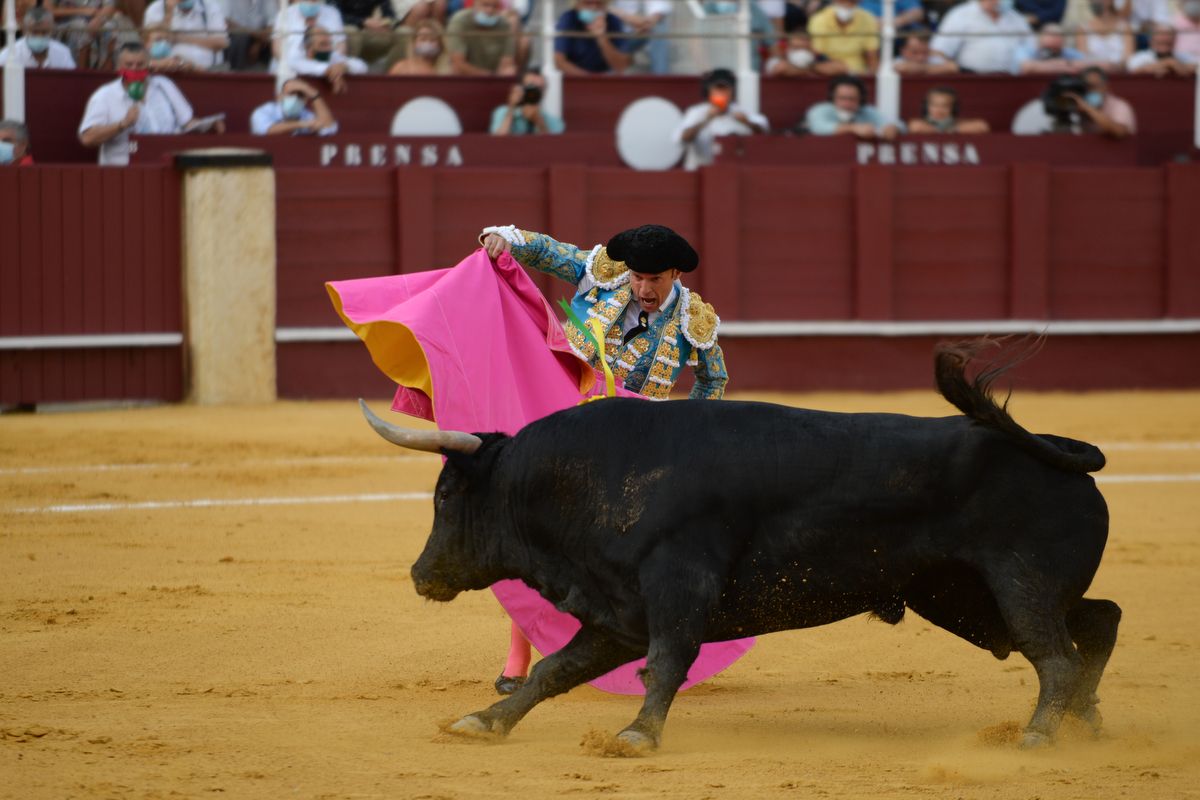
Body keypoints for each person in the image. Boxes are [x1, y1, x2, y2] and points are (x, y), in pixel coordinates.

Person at [476, 222, 729, 694]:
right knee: (541, 537)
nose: (642, 287)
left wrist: (692, 431)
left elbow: (712, 380)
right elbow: (551, 254)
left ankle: (647, 651)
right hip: (566, 428)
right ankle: (519, 655)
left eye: (654, 279)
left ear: (675, 273)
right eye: (637, 277)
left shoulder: (694, 321)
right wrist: (506, 239)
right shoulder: (604, 276)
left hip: (635, 449)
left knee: (636, 554)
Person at [78, 42, 221, 165]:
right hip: (126, 169)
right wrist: (122, 124)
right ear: (118, 67)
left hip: (167, 162)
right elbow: (87, 138)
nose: (134, 69)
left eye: (140, 64)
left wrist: (208, 125)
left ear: (148, 65)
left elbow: (187, 122)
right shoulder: (105, 95)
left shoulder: (164, 85)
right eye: (129, 65)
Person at [672, 68, 769, 170]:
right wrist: (706, 119)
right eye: (717, 89)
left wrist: (747, 122)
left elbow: (765, 131)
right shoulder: (696, 112)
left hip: (733, 171)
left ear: (732, 92)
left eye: (725, 89)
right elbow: (680, 138)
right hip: (701, 172)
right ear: (708, 92)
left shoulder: (741, 112)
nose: (721, 93)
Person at [930, 0, 1034, 73]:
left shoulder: (1016, 17)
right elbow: (939, 52)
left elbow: (1033, 49)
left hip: (1012, 81)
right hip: (973, 83)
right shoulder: (960, 15)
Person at [804, 74, 901, 139]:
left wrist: (892, 128)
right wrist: (853, 128)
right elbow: (818, 127)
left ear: (861, 99)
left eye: (852, 99)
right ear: (832, 97)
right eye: (842, 98)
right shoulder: (820, 110)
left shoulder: (866, 111)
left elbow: (896, 124)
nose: (847, 104)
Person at [142, 0, 231, 70]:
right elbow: (152, 45)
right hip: (170, 71)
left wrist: (179, 38)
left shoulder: (210, 6)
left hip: (210, 71)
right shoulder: (156, 9)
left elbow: (222, 43)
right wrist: (169, 11)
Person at [554, 0, 633, 74]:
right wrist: (590, 81)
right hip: (576, 80)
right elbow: (558, 61)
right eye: (588, 3)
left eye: (598, 4)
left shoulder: (613, 21)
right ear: (577, 5)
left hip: (606, 79)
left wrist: (601, 38)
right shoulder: (568, 19)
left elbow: (621, 66)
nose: (593, 8)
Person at [445, 0, 517, 75]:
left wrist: (497, 76)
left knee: (510, 71)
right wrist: (488, 75)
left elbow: (507, 61)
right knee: (455, 69)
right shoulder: (460, 21)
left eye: (494, 6)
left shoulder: (504, 25)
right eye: (485, 5)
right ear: (474, 5)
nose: (490, 10)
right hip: (466, 76)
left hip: (493, 76)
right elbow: (458, 63)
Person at [807, 0, 879, 73]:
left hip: (857, 73)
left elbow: (872, 55)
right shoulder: (819, 19)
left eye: (851, 1)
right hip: (827, 70)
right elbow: (817, 52)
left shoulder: (868, 19)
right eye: (842, 1)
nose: (846, 4)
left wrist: (872, 77)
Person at [333, 0, 407, 71]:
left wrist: (385, 24)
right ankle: (346, 75)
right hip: (339, 37)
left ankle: (393, 77)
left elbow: (390, 15)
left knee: (404, 33)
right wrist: (363, 21)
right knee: (352, 31)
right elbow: (331, 13)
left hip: (368, 34)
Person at [291, 26, 368, 93]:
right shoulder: (295, 55)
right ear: (308, 47)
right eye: (323, 44)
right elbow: (301, 66)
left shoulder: (332, 55)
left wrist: (344, 67)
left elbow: (362, 66)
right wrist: (330, 70)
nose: (329, 48)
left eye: (330, 44)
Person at [274, 0, 348, 70]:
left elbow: (341, 46)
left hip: (329, 68)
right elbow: (277, 49)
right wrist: (290, 66)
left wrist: (334, 66)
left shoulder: (333, 13)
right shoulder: (285, 14)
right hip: (290, 71)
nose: (310, 1)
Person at [250, 77, 338, 135]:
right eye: (291, 94)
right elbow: (267, 131)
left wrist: (313, 93)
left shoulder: (305, 114)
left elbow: (330, 127)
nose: (295, 98)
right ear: (279, 96)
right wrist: (302, 124)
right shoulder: (263, 111)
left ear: (305, 100)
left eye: (300, 95)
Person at [490, 69, 566, 134]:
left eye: (539, 88)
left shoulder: (554, 121)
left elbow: (553, 146)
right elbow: (498, 141)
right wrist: (511, 109)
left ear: (544, 93)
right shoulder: (502, 112)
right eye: (530, 87)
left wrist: (539, 121)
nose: (533, 92)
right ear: (520, 88)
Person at [0, 8, 77, 68]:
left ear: (52, 31)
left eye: (44, 32)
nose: (39, 36)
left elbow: (72, 82)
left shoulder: (63, 53)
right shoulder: (9, 54)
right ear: (24, 31)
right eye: (34, 32)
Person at [610, 0, 671, 74]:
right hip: (611, 33)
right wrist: (628, 18)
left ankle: (661, 79)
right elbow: (599, 7)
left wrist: (649, 22)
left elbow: (658, 5)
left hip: (635, 33)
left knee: (659, 26)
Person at [1013, 22, 1093, 73]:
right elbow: (1026, 67)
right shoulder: (1025, 50)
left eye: (1056, 49)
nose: (1052, 52)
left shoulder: (1067, 52)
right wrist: (1063, 66)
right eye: (1048, 48)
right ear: (1039, 42)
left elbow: (1089, 65)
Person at [1075, 0, 1134, 66]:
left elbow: (1128, 59)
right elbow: (1083, 59)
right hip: (1094, 73)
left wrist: (1112, 66)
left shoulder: (1125, 28)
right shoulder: (1083, 29)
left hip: (1119, 73)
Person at [907, 86, 990, 133]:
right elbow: (914, 127)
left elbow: (982, 126)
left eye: (945, 106)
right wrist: (940, 132)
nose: (939, 110)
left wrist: (952, 130)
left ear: (954, 108)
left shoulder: (958, 122)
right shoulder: (920, 123)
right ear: (926, 107)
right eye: (934, 105)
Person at [764, 31, 848, 76]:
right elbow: (781, 69)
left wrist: (811, 65)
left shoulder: (817, 58)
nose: (802, 53)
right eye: (797, 48)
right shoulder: (779, 58)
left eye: (805, 48)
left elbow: (841, 68)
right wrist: (809, 70)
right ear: (788, 47)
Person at [1126, 25, 1198, 75]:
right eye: (1161, 41)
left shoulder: (1183, 56)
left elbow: (1196, 66)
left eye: (1167, 42)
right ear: (1152, 41)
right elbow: (1133, 70)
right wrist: (1168, 63)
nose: (1164, 38)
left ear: (1174, 41)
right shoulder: (1140, 57)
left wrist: (1175, 66)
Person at [894, 34, 958, 74]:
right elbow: (900, 68)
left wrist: (920, 68)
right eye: (914, 52)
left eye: (925, 52)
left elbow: (953, 67)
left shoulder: (934, 59)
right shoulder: (895, 62)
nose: (920, 57)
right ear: (903, 51)